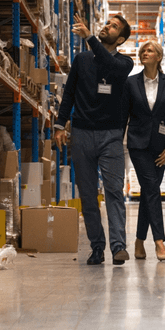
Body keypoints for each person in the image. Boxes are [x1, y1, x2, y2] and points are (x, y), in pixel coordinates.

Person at [54, 15, 134, 265]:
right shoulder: (81, 59)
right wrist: (59, 125)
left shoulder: (124, 63)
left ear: (120, 39)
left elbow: (109, 66)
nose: (106, 26)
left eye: (113, 26)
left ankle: (118, 245)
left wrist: (89, 37)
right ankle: (97, 247)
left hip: (110, 135)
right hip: (81, 134)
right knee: (88, 195)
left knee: (113, 191)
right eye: (107, 23)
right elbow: (68, 94)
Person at [121, 40, 165, 261]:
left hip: (161, 147)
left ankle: (138, 241)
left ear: (158, 57)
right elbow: (123, 116)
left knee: (149, 191)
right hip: (138, 145)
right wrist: (117, 142)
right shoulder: (131, 83)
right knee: (152, 189)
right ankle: (159, 242)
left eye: (150, 50)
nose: (145, 53)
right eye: (143, 51)